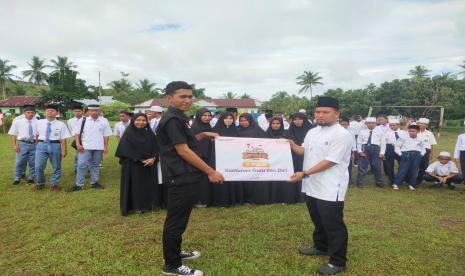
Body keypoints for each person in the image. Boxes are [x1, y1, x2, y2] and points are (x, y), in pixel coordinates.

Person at [157, 81, 224, 276]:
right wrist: (210, 171)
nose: (188, 100)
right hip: (180, 176)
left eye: (189, 96)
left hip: (186, 175)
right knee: (176, 220)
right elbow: (183, 150)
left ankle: (175, 253)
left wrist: (202, 134)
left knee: (181, 218)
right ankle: (172, 265)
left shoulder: (179, 117)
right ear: (169, 98)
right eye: (182, 96)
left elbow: (186, 141)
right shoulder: (172, 119)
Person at [288, 96, 352, 275]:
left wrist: (305, 173)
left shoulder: (342, 134)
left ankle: (338, 261)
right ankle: (321, 246)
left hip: (331, 186)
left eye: (325, 112)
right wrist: (292, 145)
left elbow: (330, 161)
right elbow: (304, 151)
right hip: (312, 184)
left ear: (336, 114)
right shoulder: (312, 132)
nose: (320, 115)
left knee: (333, 224)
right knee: (317, 219)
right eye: (317, 112)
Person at [115, 113, 161, 215]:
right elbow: (125, 149)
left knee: (148, 186)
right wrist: (140, 159)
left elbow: (157, 147)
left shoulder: (150, 134)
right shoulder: (128, 133)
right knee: (135, 186)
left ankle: (149, 205)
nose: (141, 122)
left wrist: (153, 158)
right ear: (133, 121)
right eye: (138, 120)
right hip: (133, 165)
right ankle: (136, 207)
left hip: (149, 165)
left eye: (143, 120)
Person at [70, 104, 112, 192]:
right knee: (81, 165)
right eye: (92, 110)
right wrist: (78, 144)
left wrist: (105, 147)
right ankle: (79, 185)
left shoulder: (104, 121)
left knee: (95, 165)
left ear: (99, 111)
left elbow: (106, 135)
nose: (94, 112)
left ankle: (94, 183)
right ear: (88, 111)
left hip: (98, 147)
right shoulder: (83, 120)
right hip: (85, 147)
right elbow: (77, 133)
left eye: (96, 110)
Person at [34, 104, 72, 191]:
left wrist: (64, 150)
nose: (50, 112)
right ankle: (40, 183)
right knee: (38, 166)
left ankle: (54, 184)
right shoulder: (38, 122)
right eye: (48, 110)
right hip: (41, 144)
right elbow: (36, 135)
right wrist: (37, 145)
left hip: (55, 145)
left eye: (52, 110)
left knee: (56, 166)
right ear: (45, 112)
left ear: (57, 113)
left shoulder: (61, 124)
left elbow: (63, 138)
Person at [210, 112, 244, 207]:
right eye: (226, 118)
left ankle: (234, 199)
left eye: (231, 118)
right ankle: (220, 201)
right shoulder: (215, 131)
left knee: (232, 177)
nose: (228, 120)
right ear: (222, 119)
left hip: (232, 159)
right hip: (218, 160)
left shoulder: (236, 131)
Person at [237, 113, 269, 204]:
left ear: (250, 120)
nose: (243, 122)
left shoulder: (257, 130)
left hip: (254, 158)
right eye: (241, 121)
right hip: (240, 158)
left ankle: (254, 198)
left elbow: (266, 141)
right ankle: (243, 198)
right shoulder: (236, 130)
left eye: (245, 120)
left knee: (253, 178)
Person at [266, 116, 298, 204]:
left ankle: (286, 198)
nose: (275, 125)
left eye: (278, 123)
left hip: (284, 161)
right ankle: (272, 198)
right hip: (271, 161)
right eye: (273, 123)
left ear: (281, 124)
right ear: (270, 124)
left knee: (284, 180)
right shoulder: (266, 134)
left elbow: (293, 146)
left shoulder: (287, 134)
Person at [287, 112, 314, 200]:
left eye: (300, 119)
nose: (297, 121)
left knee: (306, 173)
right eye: (295, 119)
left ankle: (305, 196)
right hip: (293, 157)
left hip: (307, 156)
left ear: (304, 120)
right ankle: (295, 196)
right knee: (295, 174)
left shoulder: (311, 131)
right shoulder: (289, 130)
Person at [8, 105, 38, 185]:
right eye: (28, 112)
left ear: (35, 114)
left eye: (32, 113)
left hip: (34, 144)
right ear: (24, 113)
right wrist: (14, 145)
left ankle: (31, 178)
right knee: (19, 162)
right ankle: (17, 178)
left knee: (33, 162)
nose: (30, 114)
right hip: (22, 144)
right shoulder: (18, 122)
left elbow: (39, 134)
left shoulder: (38, 122)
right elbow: (13, 134)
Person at [190, 108, 213, 207]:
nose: (207, 118)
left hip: (208, 156)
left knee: (205, 179)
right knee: (198, 179)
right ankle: (197, 200)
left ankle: (205, 200)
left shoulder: (210, 127)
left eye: (209, 115)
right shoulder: (194, 128)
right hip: (197, 157)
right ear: (199, 116)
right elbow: (191, 142)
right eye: (204, 115)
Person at [392, 124, 425, 190]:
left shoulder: (421, 138)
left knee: (414, 170)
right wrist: (400, 154)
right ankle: (396, 183)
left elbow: (423, 147)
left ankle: (412, 184)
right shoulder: (403, 137)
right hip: (406, 154)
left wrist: (421, 154)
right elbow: (397, 146)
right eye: (409, 131)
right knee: (402, 169)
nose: (411, 132)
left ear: (418, 131)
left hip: (416, 155)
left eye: (413, 131)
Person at [356, 117, 386, 187]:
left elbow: (383, 143)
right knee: (362, 167)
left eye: (372, 123)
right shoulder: (362, 132)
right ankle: (360, 182)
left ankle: (379, 182)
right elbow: (359, 142)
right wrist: (360, 151)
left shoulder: (380, 131)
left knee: (377, 167)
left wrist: (382, 153)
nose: (370, 125)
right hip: (365, 148)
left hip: (376, 149)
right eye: (369, 123)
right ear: (366, 124)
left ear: (375, 123)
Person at [381, 119, 407, 185]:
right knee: (389, 165)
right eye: (390, 125)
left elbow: (406, 142)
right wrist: (383, 153)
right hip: (389, 148)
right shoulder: (386, 133)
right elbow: (383, 143)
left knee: (403, 164)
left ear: (398, 125)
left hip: (401, 149)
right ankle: (392, 180)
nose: (392, 127)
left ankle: (400, 178)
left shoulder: (404, 132)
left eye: (393, 125)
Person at [416, 118, 437, 185]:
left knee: (423, 167)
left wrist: (431, 153)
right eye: (421, 123)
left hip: (426, 151)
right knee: (414, 166)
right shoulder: (413, 131)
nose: (422, 125)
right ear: (418, 124)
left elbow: (431, 144)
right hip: (416, 150)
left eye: (425, 124)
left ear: (427, 126)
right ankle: (411, 179)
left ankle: (419, 180)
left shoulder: (429, 133)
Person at [339, 118, 357, 186]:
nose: (344, 126)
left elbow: (353, 143)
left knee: (348, 166)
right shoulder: (337, 131)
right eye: (342, 124)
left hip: (348, 151)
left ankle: (348, 181)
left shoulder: (351, 132)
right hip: (338, 151)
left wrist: (353, 153)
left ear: (348, 125)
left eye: (346, 124)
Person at [67, 103, 85, 172]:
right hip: (76, 140)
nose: (77, 113)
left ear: (82, 112)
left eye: (79, 111)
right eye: (75, 111)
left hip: (86, 139)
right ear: (72, 112)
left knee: (87, 155)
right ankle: (76, 168)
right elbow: (71, 131)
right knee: (77, 154)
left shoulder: (86, 119)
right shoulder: (70, 121)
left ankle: (87, 168)